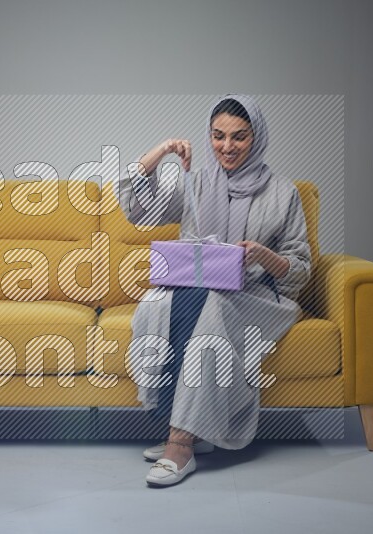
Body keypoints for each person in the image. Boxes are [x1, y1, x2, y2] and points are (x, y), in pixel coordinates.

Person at [116, 94, 312, 487]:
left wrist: (263, 255)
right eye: (218, 136)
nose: (227, 147)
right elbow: (136, 209)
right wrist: (163, 151)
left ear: (256, 138)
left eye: (239, 137)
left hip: (257, 295)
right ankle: (190, 424)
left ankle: (181, 444)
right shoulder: (197, 183)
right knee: (156, 305)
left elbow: (301, 268)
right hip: (195, 290)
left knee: (213, 312)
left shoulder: (282, 192)